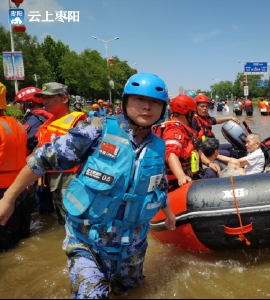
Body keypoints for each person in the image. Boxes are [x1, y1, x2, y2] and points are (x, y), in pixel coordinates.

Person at [0, 73, 176, 299]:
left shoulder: (158, 146)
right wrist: (8, 199)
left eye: (154, 102)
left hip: (132, 246)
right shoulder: (96, 129)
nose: (147, 107)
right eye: (139, 100)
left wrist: (169, 215)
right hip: (88, 243)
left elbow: (157, 187)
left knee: (131, 292)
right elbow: (42, 160)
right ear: (124, 102)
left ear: (163, 109)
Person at [35, 82, 87, 225]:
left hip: (71, 180)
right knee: (63, 222)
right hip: (54, 180)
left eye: (49, 97)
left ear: (64, 98)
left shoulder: (78, 123)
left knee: (74, 223)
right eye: (43, 98)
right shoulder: (49, 124)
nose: (45, 101)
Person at [154, 95, 220, 192]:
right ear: (189, 113)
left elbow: (197, 150)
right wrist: (181, 176)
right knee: (212, 174)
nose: (194, 116)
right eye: (193, 113)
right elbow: (171, 153)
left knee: (212, 170)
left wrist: (209, 163)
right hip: (178, 183)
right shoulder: (174, 129)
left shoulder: (185, 128)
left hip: (192, 175)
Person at [0, 82, 30, 252]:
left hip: (2, 196)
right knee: (24, 239)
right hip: (20, 190)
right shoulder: (16, 124)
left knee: (5, 248)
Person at [15, 87, 53, 155]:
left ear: (30, 102)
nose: (20, 108)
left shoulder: (34, 120)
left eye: (21, 104)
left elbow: (20, 143)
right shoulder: (45, 116)